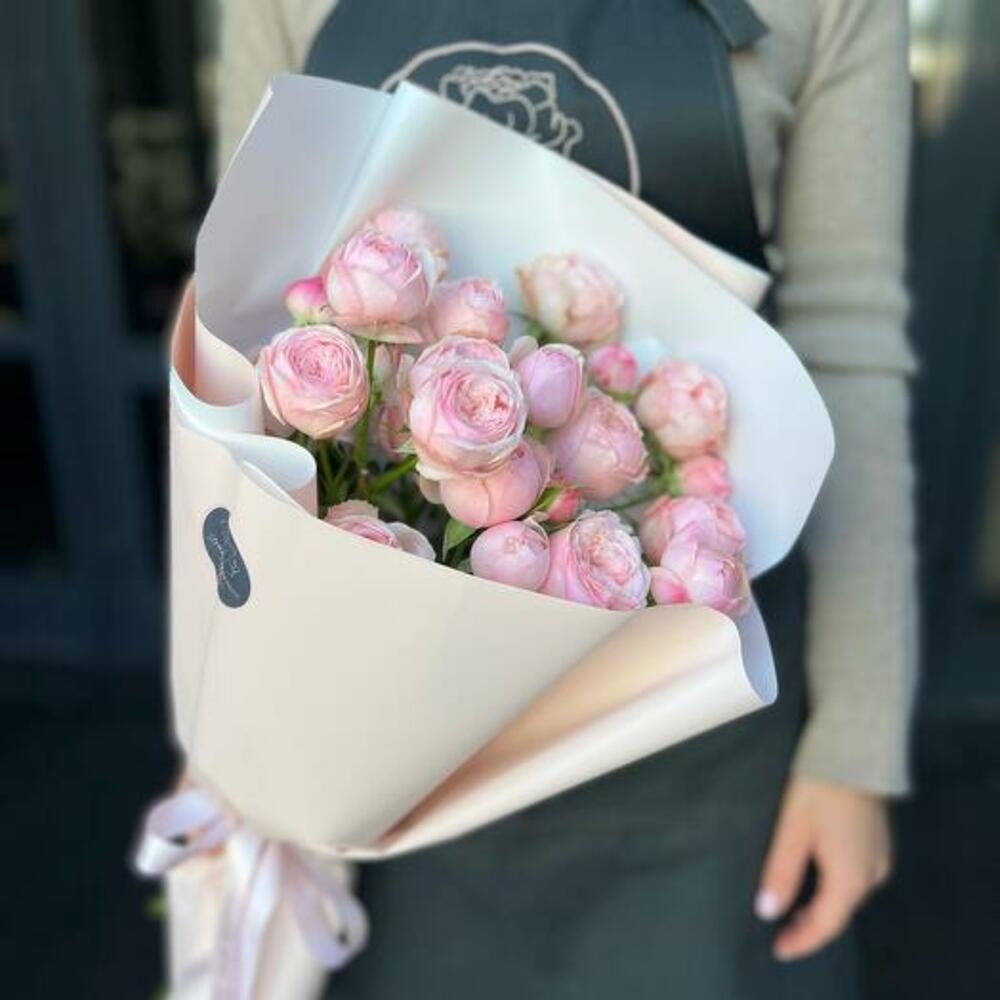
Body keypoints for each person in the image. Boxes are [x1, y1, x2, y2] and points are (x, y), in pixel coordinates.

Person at [216, 1, 918, 996]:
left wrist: (856, 746)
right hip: (385, 715)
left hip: (690, 708)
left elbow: (848, 344)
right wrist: (232, 705)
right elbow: (239, 311)